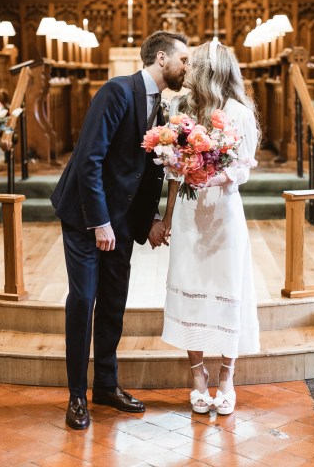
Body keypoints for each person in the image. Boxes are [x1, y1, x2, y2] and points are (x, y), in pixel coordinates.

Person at [51, 31, 189, 429]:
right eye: (184, 60)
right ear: (161, 58)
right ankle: (77, 395)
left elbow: (143, 175)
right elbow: (90, 160)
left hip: (121, 222)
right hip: (85, 217)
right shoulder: (116, 92)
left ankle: (106, 385)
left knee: (113, 302)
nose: (187, 68)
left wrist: (149, 222)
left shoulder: (160, 108)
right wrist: (100, 222)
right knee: (84, 299)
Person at [161, 40, 260, 416]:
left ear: (209, 72)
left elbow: (244, 167)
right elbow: (171, 167)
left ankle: (227, 376)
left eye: (193, 65)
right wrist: (170, 206)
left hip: (223, 212)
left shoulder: (239, 112)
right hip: (190, 213)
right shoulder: (181, 108)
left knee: (226, 285)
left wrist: (215, 178)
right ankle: (197, 374)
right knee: (191, 284)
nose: (186, 70)